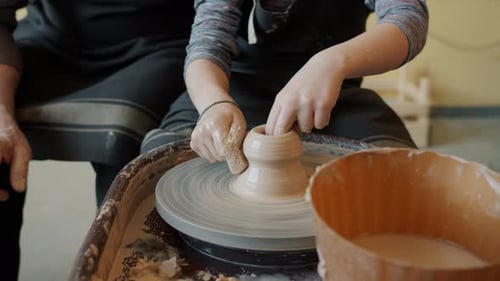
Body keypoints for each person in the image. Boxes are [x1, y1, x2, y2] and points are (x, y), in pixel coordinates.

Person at [0, 1, 194, 280]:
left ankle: (115, 270)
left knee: (124, 158)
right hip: (50, 39)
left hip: (159, 46)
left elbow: (223, 20)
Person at [141, 0, 429, 169]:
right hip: (236, 91)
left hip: (333, 98)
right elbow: (206, 48)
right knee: (160, 163)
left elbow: (408, 19)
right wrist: (214, 103)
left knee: (400, 170)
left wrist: (331, 62)